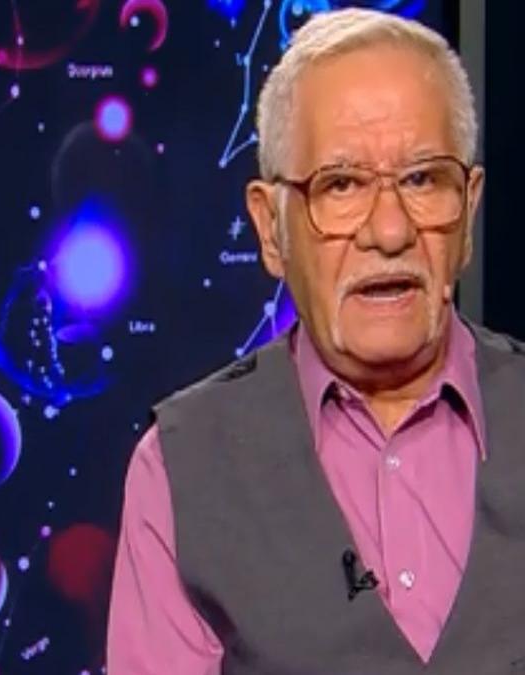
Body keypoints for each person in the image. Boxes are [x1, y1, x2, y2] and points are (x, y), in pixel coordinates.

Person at [107, 7, 525, 674]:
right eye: (341, 185)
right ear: (270, 229)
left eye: (422, 179)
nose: (390, 231)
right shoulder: (181, 470)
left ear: (468, 210)